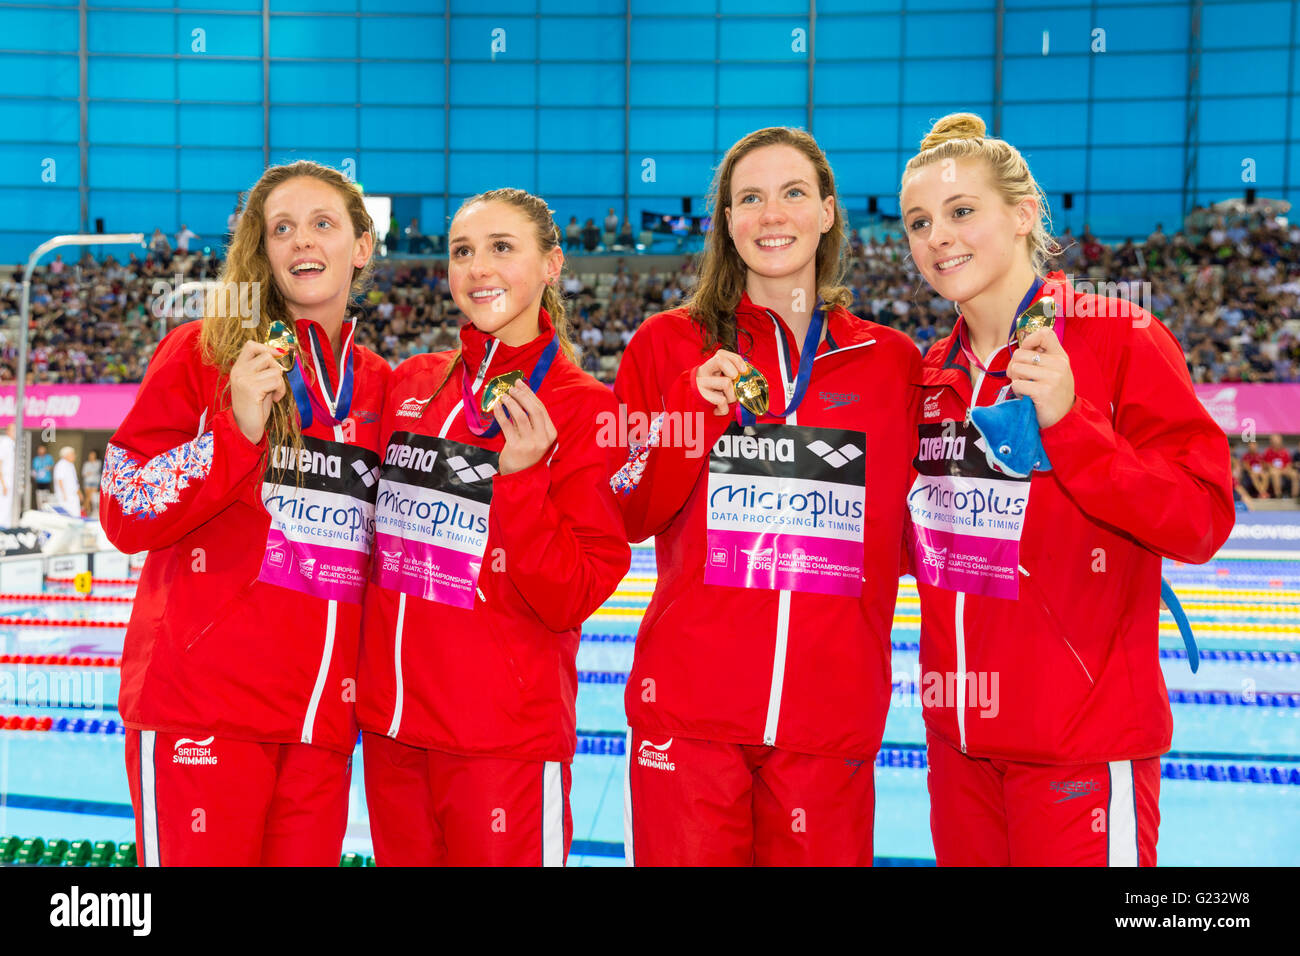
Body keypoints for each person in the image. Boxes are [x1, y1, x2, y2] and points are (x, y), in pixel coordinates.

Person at [898, 112, 1233, 866]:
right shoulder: (927, 375)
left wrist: (1071, 423)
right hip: (959, 749)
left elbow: (1202, 520)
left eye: (960, 212)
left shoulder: (1119, 337)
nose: (938, 236)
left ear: (1023, 216)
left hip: (1079, 748)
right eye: (920, 222)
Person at [611, 127, 920, 865]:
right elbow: (625, 509)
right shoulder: (667, 344)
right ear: (726, 220)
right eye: (749, 198)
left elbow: (917, 537)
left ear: (827, 212)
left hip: (829, 721)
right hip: (689, 715)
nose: (771, 215)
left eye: (792, 194)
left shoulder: (890, 364)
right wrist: (690, 412)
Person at [99, 160, 391, 866]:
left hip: (320, 723)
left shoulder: (382, 386)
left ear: (361, 247)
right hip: (203, 710)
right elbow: (123, 507)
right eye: (281, 229)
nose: (300, 243)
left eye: (322, 224)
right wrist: (232, 429)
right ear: (262, 253)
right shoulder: (201, 353)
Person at [357, 188, 629, 866]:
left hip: (499, 743)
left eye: (502, 248)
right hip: (393, 734)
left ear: (551, 265)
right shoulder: (412, 384)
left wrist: (520, 481)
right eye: (463, 252)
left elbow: (573, 594)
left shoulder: (586, 408)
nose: (478, 268)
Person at [1263, 433, 1299, 499]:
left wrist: (1286, 469)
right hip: (1274, 470)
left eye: (1278, 440)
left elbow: (1289, 463)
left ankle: (1295, 496)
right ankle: (1278, 495)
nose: (1276, 442)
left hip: (1285, 469)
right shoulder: (1268, 451)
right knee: (1275, 473)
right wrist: (1274, 468)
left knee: (1294, 474)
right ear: (1271, 442)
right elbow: (1266, 464)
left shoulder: (1285, 451)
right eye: (1275, 441)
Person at [53, 446, 80, 516]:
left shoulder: (70, 465)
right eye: (72, 454)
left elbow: (74, 481)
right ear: (66, 455)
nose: (74, 456)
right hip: (66, 495)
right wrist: (63, 494)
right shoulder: (61, 465)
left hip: (73, 494)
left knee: (76, 514)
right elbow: (59, 479)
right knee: (67, 514)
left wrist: (79, 492)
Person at [80, 449, 103, 518]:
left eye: (93, 455)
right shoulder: (86, 463)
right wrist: (89, 473)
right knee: (87, 497)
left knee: (90, 497)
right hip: (87, 482)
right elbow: (84, 473)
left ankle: (83, 510)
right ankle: (87, 512)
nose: (92, 456)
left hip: (95, 482)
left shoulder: (98, 462)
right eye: (91, 455)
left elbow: (96, 471)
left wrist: (89, 472)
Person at [31, 444, 53, 509]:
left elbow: (51, 466)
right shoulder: (36, 459)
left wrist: (48, 468)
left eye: (42, 449)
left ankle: (46, 508)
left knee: (46, 495)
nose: (41, 451)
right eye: (40, 449)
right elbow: (34, 469)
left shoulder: (49, 457)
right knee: (39, 495)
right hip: (39, 481)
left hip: (47, 480)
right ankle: (40, 508)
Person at [0, 425, 14, 524]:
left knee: (9, 505)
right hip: (4, 480)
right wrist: (3, 483)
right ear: (8, 431)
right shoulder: (5, 443)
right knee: (4, 505)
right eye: (13, 430)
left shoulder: (12, 444)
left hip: (10, 479)